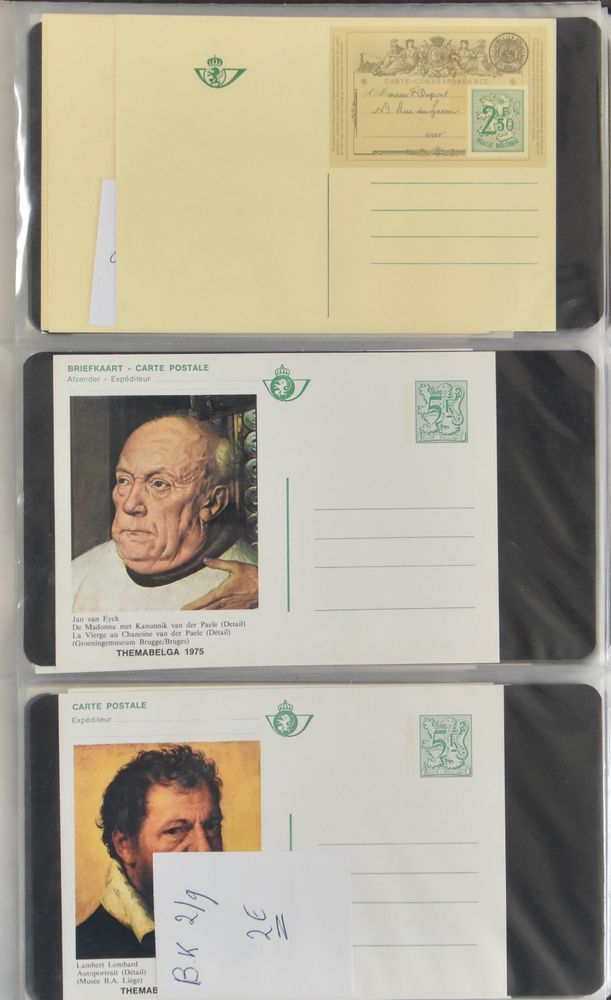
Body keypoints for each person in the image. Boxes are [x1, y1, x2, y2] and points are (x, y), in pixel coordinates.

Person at [72, 414, 257, 611]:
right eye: (124, 480)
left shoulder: (250, 591)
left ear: (213, 503)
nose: (130, 505)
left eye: (159, 484)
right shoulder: (77, 575)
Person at [76, 745, 223, 959]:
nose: (205, 851)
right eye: (175, 831)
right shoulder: (85, 949)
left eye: (212, 826)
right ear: (125, 845)